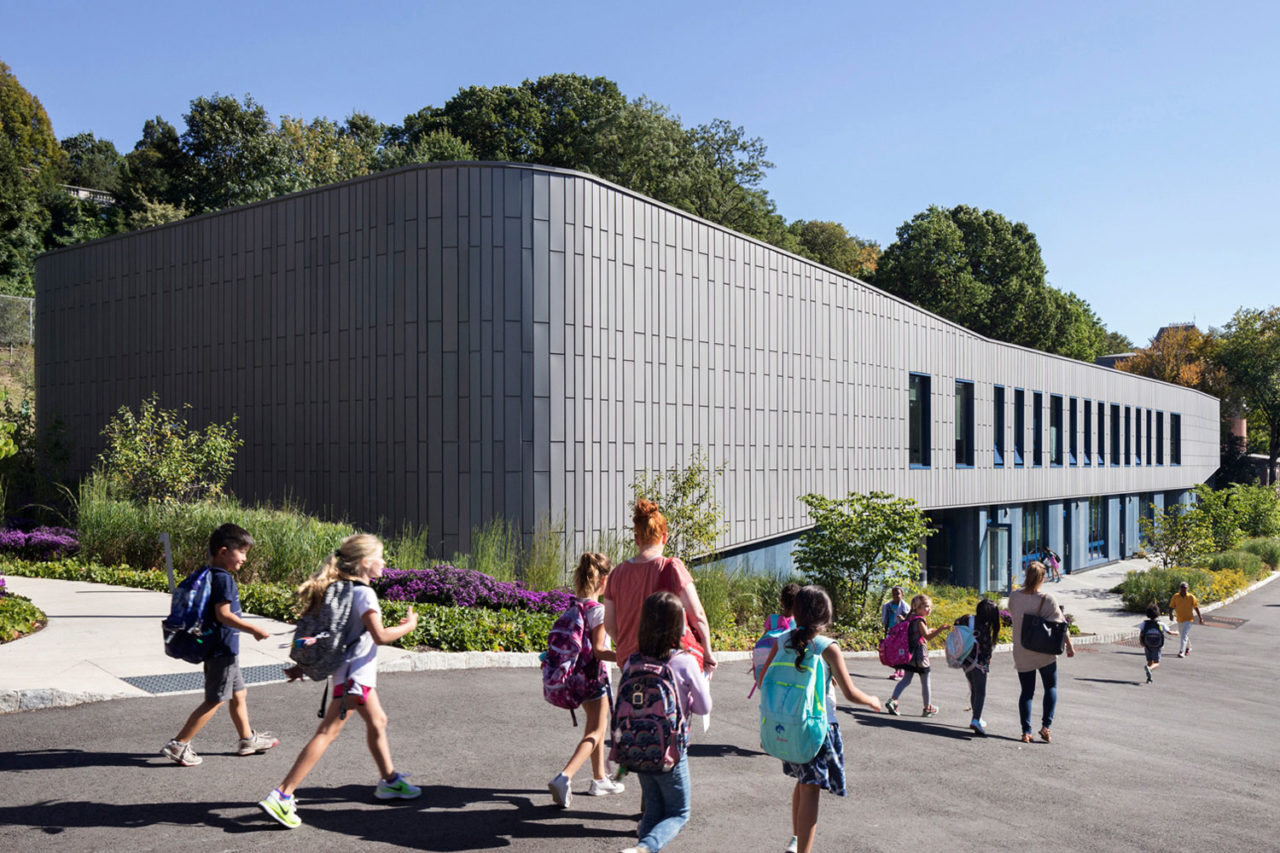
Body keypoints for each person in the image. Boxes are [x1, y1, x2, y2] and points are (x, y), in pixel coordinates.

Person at [258, 534, 420, 829]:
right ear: (365, 562)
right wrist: (408, 626)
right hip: (355, 678)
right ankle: (282, 795)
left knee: (378, 721)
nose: (384, 563)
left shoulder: (340, 589)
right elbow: (381, 636)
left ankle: (390, 780)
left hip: (349, 674)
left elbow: (331, 636)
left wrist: (305, 667)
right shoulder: (365, 594)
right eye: (380, 557)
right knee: (327, 733)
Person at [755, 585, 881, 853]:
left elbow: (763, 679)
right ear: (826, 615)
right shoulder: (827, 647)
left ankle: (796, 838)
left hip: (788, 726)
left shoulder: (782, 639)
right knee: (811, 789)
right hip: (816, 729)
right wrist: (871, 700)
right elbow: (850, 693)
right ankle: (803, 849)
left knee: (803, 783)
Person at [162, 523, 278, 767]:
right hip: (221, 650)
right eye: (242, 552)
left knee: (238, 693)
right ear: (224, 551)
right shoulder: (223, 579)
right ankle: (179, 744)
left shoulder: (210, 573)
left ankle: (247, 739)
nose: (245, 558)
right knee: (216, 698)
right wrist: (254, 629)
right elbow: (224, 614)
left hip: (222, 648)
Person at [619, 591, 712, 853]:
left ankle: (642, 848)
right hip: (670, 750)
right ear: (678, 626)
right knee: (679, 813)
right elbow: (704, 706)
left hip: (637, 746)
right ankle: (645, 847)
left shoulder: (632, 662)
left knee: (653, 808)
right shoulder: (683, 662)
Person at [604, 499, 716, 675]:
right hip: (667, 663)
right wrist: (708, 651)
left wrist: (628, 645)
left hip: (630, 665)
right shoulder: (672, 568)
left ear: (636, 539)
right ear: (665, 537)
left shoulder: (616, 574)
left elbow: (609, 626)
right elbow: (697, 615)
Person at [548, 553, 623, 808]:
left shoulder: (575, 606)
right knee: (596, 730)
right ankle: (564, 776)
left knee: (594, 726)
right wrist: (624, 656)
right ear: (603, 581)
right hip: (594, 678)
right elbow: (600, 650)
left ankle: (599, 779)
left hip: (577, 679)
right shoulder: (598, 611)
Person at [1009, 561, 1075, 744]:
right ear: (1042, 578)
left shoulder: (1014, 596)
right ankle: (1046, 726)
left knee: (1027, 692)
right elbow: (1062, 626)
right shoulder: (1047, 599)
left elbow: (1014, 615)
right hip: (1044, 651)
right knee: (1051, 687)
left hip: (1022, 650)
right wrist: (1069, 646)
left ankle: (1026, 732)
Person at [883, 594, 949, 717]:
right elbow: (927, 637)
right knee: (925, 682)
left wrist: (928, 630)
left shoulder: (911, 618)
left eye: (929, 607)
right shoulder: (920, 620)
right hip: (920, 656)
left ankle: (893, 700)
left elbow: (918, 634)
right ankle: (927, 708)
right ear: (917, 608)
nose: (929, 609)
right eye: (926, 607)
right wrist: (940, 629)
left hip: (909, 655)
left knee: (906, 679)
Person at [955, 598, 1001, 736]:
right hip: (979, 663)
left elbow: (956, 624)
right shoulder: (984, 628)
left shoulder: (967, 619)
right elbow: (986, 650)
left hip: (965, 660)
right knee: (980, 692)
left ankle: (977, 716)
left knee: (974, 689)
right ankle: (975, 720)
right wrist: (987, 660)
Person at [880, 586, 910, 680]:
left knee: (900, 651)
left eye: (898, 593)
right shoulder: (888, 606)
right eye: (893, 594)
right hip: (891, 631)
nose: (895, 595)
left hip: (901, 633)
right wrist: (885, 633)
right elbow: (886, 620)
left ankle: (901, 670)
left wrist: (903, 619)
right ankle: (897, 670)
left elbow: (909, 620)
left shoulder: (905, 607)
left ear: (902, 595)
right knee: (893, 651)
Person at [1168, 581, 1204, 658]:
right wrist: (1170, 615)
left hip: (1189, 619)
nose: (1183, 590)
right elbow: (1171, 607)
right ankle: (1188, 647)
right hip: (1179, 619)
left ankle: (1182, 652)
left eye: (1185, 588)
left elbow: (1196, 608)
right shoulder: (1175, 596)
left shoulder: (1191, 597)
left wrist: (1200, 618)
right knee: (1183, 635)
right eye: (1182, 588)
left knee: (1183, 635)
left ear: (1187, 589)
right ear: (1180, 588)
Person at [1140, 604, 1164, 683]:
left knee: (1150, 661)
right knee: (1157, 663)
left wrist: (1141, 642)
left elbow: (1141, 633)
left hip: (1147, 644)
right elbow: (1168, 631)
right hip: (1157, 645)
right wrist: (1176, 633)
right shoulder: (1160, 624)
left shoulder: (1145, 623)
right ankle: (1149, 669)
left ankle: (1149, 678)